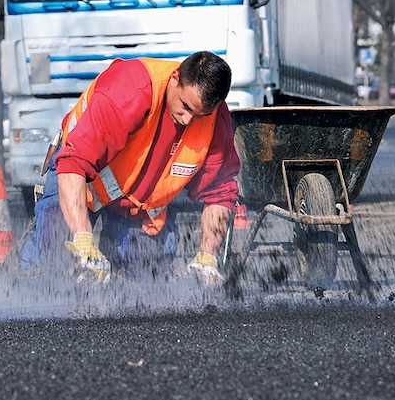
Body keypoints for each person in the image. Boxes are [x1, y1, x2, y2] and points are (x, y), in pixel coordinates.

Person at [19, 51, 240, 285]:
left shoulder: (216, 119)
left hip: (138, 206)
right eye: (185, 106)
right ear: (175, 79)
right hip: (81, 183)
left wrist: (207, 256)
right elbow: (74, 162)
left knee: (148, 280)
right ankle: (30, 267)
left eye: (200, 115)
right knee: (55, 261)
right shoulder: (129, 90)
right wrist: (83, 240)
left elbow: (220, 191)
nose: (187, 120)